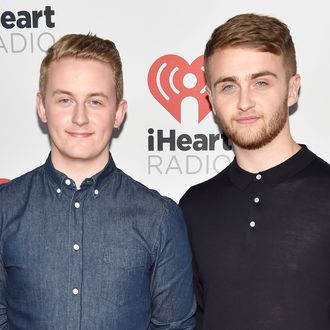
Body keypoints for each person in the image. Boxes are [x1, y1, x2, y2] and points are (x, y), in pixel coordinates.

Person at [0, 33, 195, 329]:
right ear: (42, 107)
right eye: (65, 100)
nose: (80, 117)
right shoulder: (5, 208)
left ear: (118, 113)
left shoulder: (159, 218)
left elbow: (174, 327)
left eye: (95, 102)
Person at [180, 13, 330, 330]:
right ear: (210, 98)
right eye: (229, 86)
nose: (244, 102)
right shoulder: (194, 206)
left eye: (260, 82)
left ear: (292, 90)